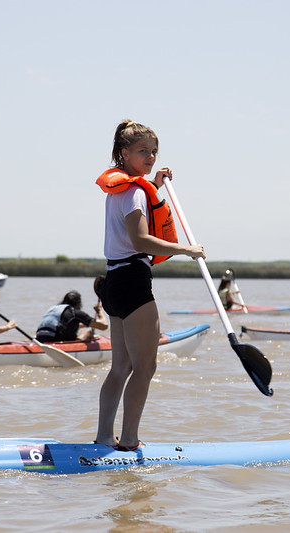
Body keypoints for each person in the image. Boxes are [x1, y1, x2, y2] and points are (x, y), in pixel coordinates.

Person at [93, 119, 205, 451]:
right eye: (143, 151)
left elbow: (135, 219)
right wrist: (186, 249)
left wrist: (155, 184)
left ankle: (104, 437)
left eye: (154, 151)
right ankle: (129, 440)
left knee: (121, 367)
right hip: (132, 281)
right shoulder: (134, 193)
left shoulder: (125, 190)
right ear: (124, 154)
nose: (151, 157)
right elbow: (140, 240)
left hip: (114, 281)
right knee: (145, 367)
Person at [36, 290, 108, 342]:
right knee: (87, 332)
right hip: (56, 339)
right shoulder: (75, 312)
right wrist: (99, 311)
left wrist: (87, 324)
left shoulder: (53, 309)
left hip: (39, 338)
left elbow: (66, 324)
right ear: (78, 303)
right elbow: (104, 326)